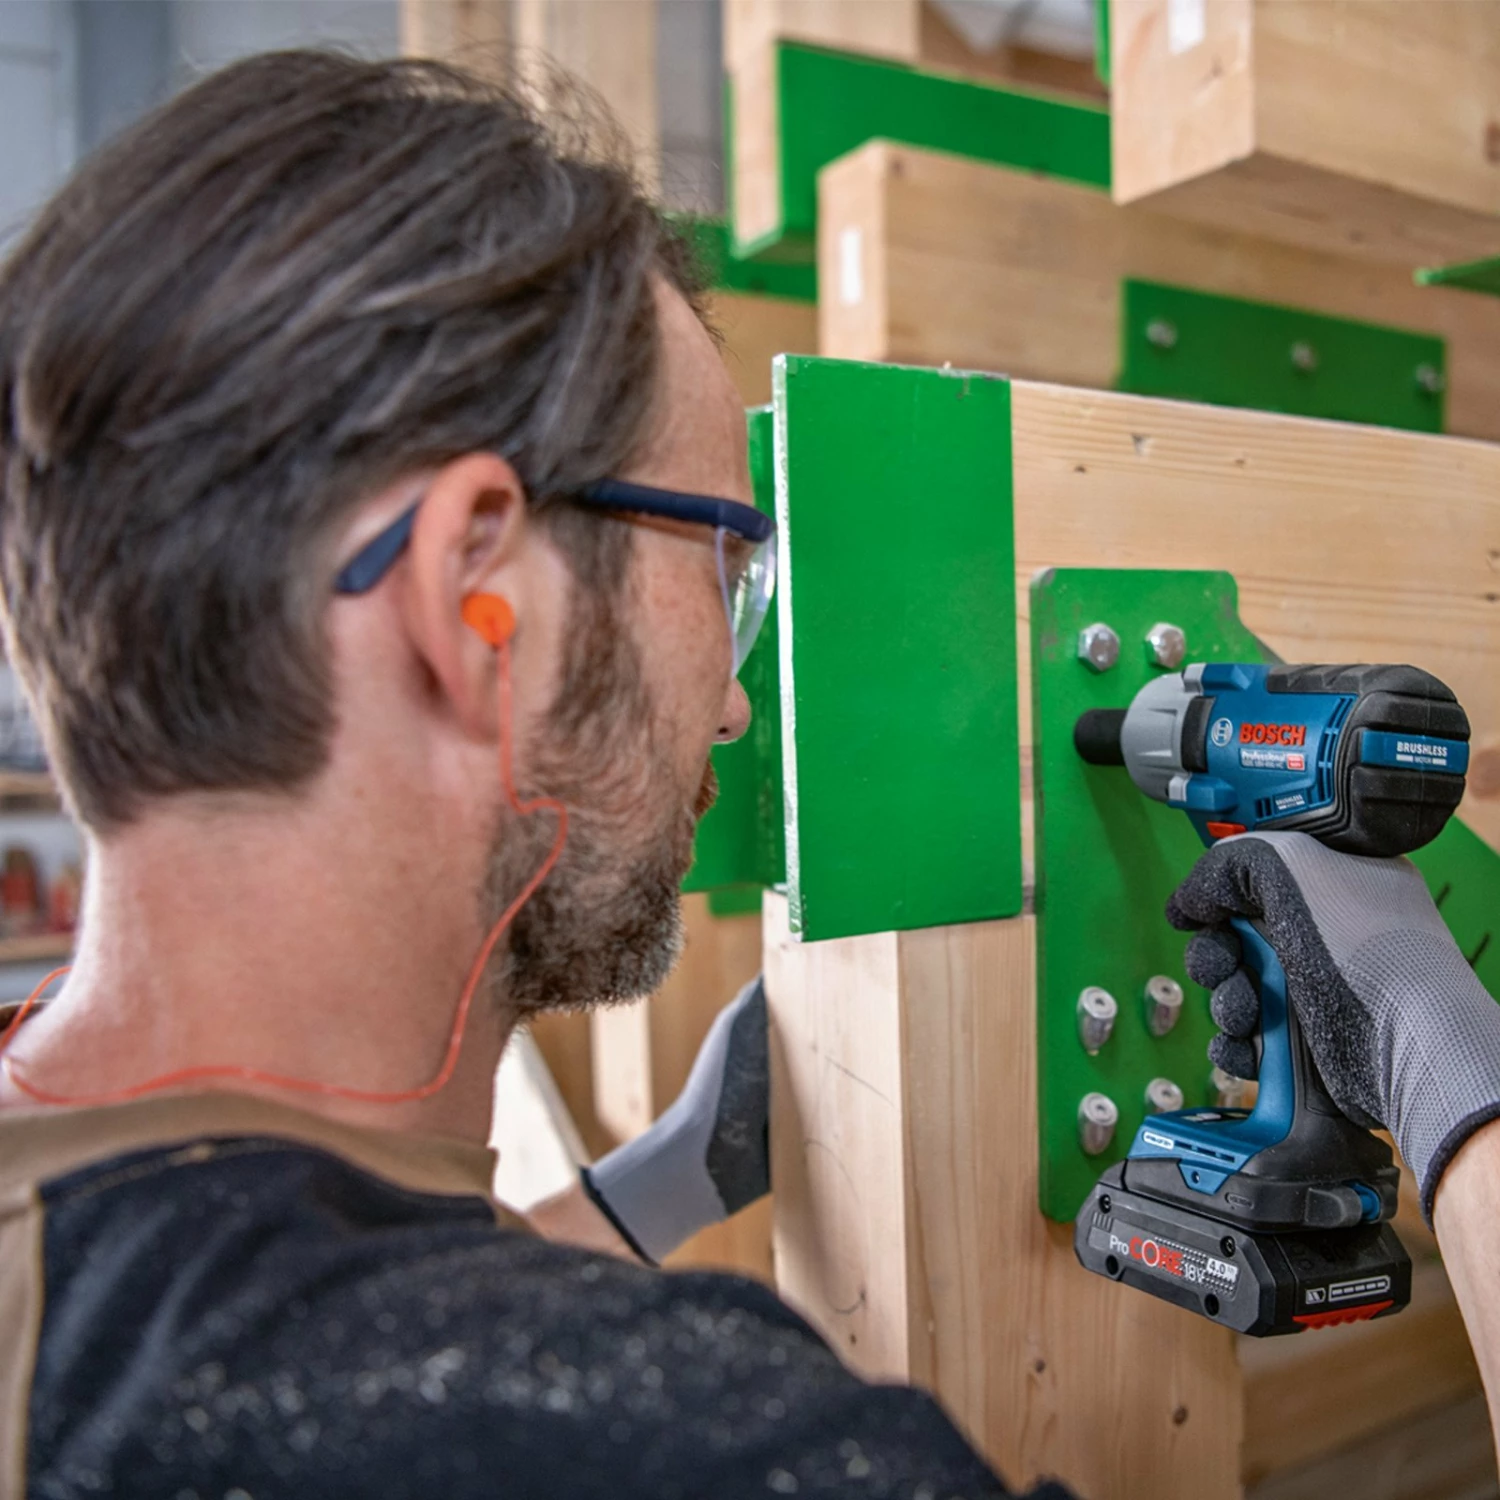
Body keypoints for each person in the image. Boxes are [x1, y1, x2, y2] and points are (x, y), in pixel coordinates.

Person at [1, 48, 1498, 1500]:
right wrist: (1454, 1082)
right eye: (726, 566)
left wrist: (642, 1192)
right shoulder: (693, 1447)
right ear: (474, 597)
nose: (733, 706)